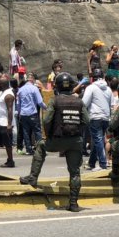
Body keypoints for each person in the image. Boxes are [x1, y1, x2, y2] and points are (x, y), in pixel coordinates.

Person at [20, 72, 90, 212]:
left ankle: (33, 177)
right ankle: (74, 203)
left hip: (57, 140)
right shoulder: (79, 101)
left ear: (56, 87)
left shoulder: (54, 100)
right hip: (75, 141)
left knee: (40, 146)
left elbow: (46, 120)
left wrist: (49, 134)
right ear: (71, 87)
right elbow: (86, 121)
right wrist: (77, 132)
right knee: (75, 172)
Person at [82, 68, 112, 171]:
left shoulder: (91, 88)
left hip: (95, 117)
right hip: (106, 117)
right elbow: (111, 104)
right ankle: (91, 163)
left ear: (92, 78)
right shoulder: (108, 89)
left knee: (98, 140)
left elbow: (84, 103)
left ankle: (103, 164)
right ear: (102, 77)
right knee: (97, 140)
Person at [16, 75, 45, 156]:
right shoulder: (34, 88)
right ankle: (40, 149)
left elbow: (18, 104)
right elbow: (40, 102)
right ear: (33, 81)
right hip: (32, 113)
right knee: (37, 131)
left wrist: (19, 113)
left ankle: (29, 150)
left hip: (23, 114)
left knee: (25, 132)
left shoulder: (20, 90)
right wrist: (45, 107)